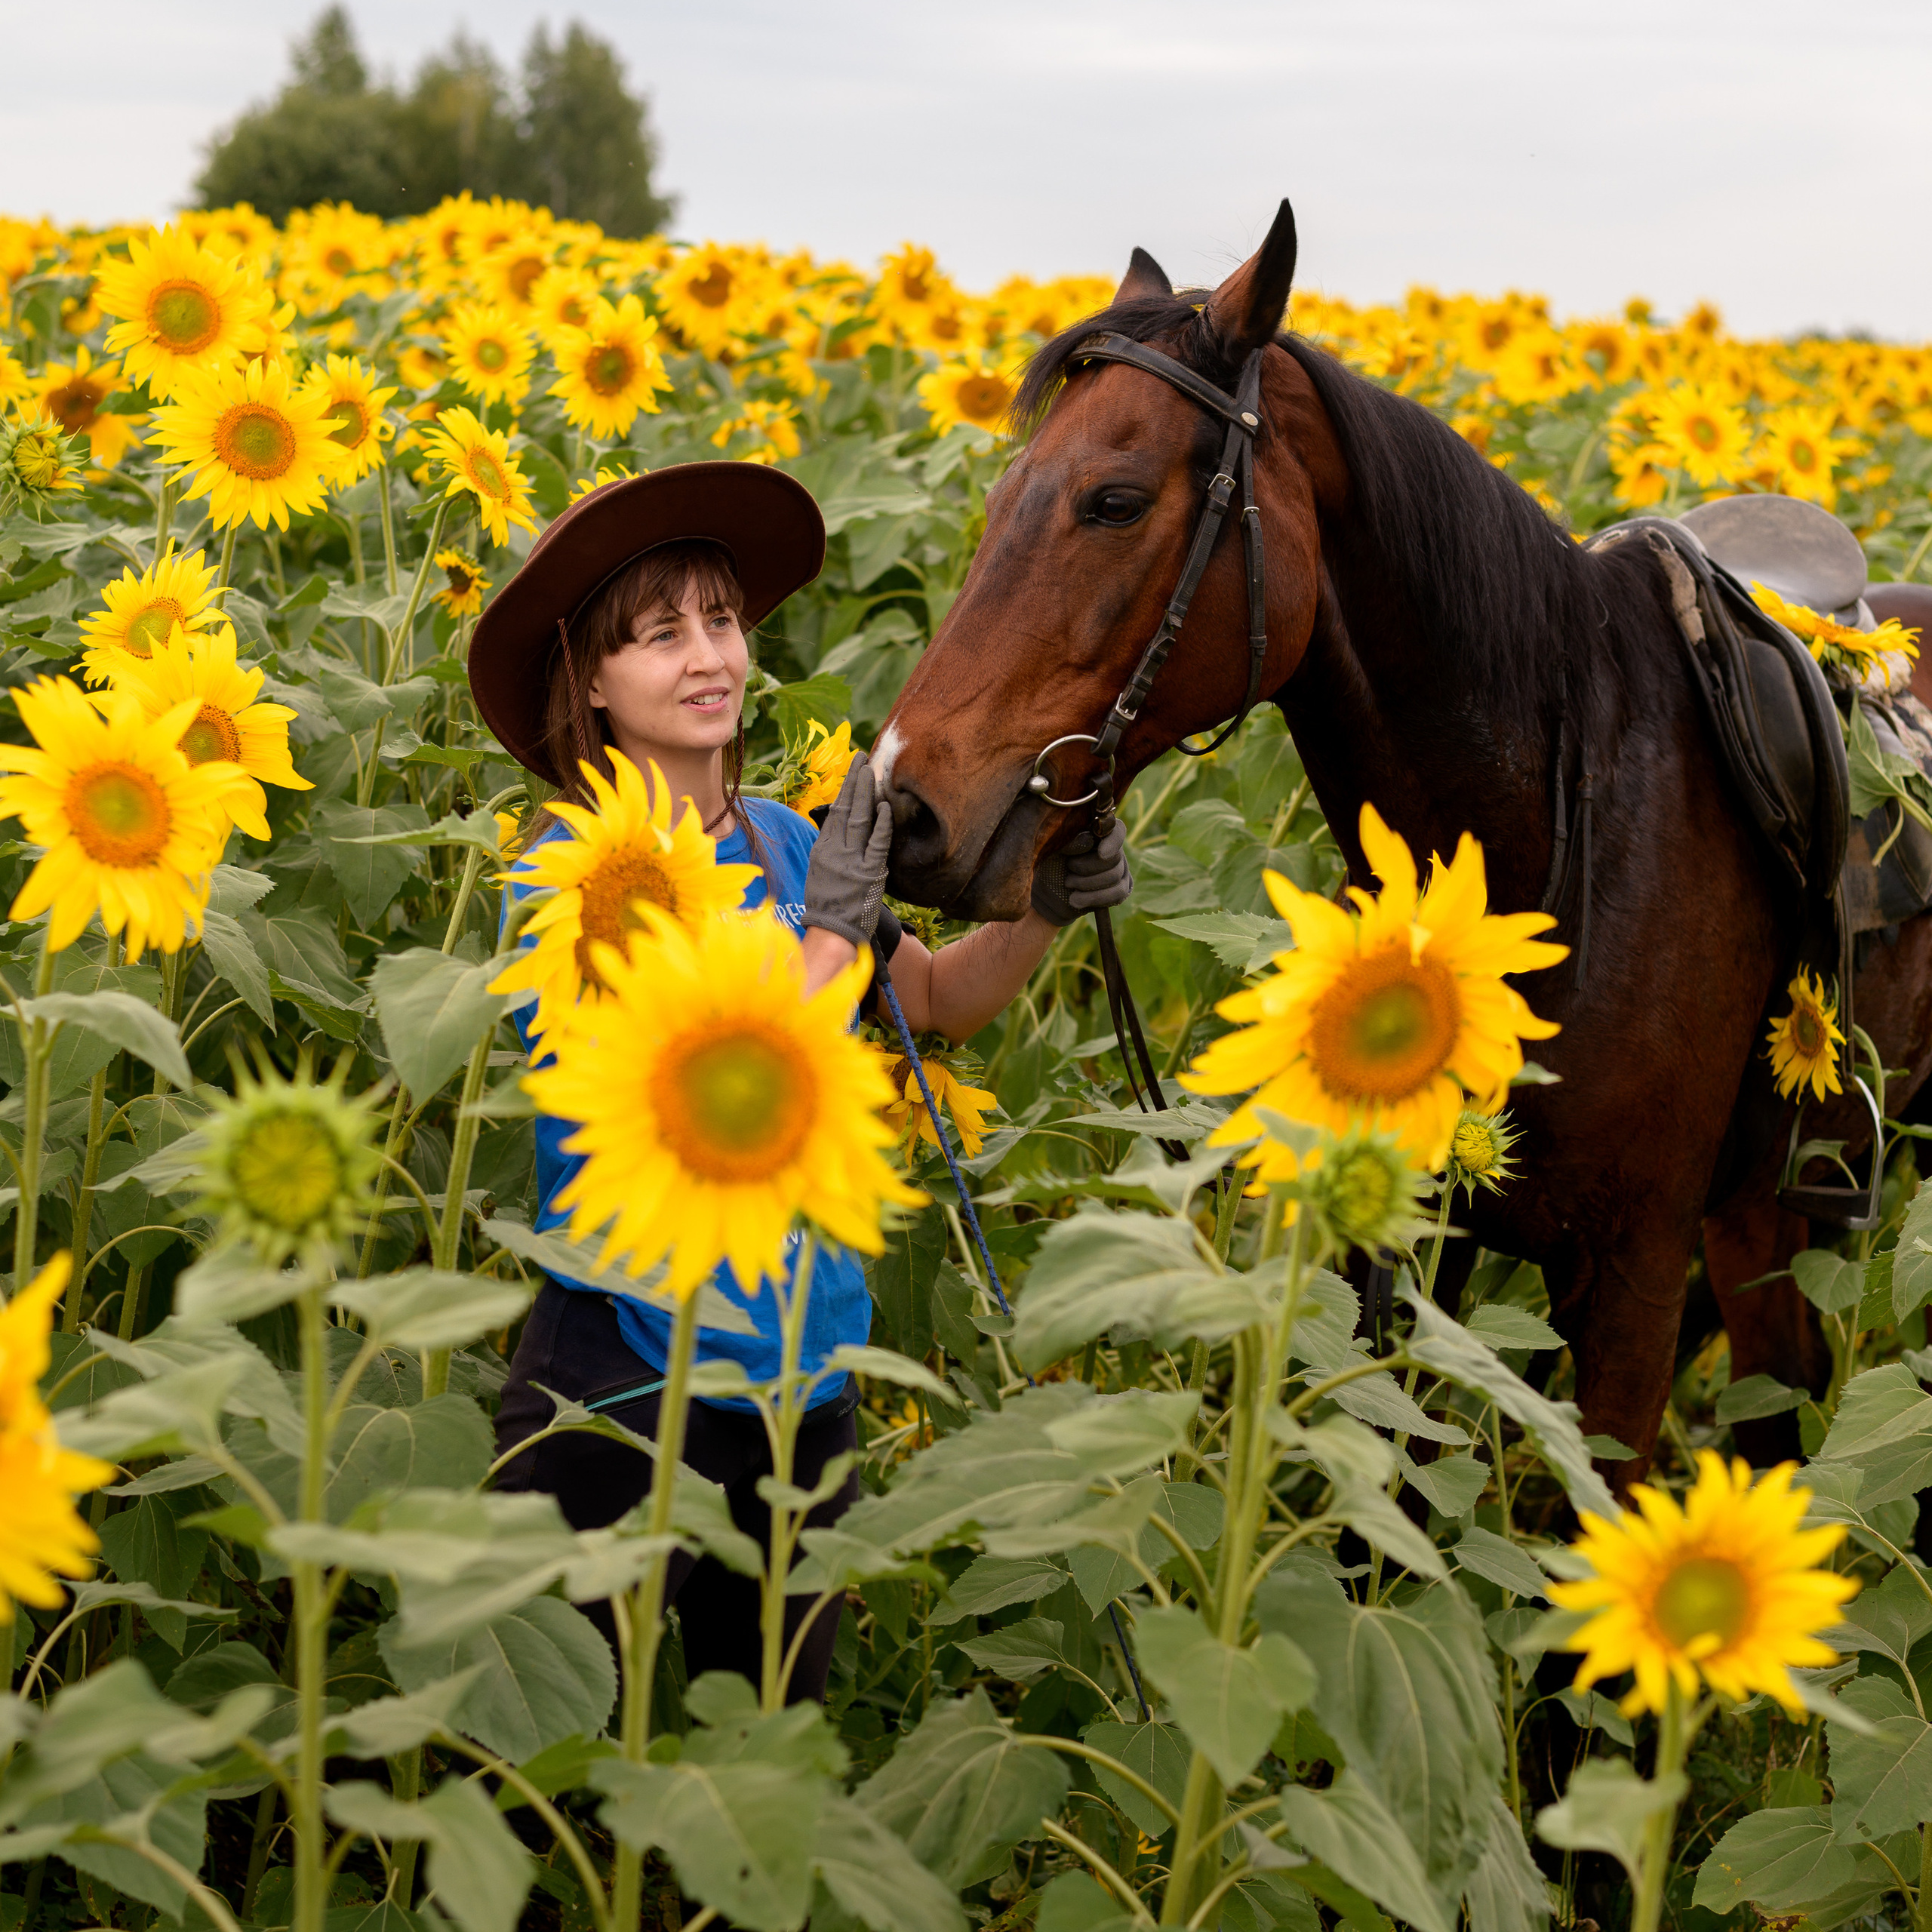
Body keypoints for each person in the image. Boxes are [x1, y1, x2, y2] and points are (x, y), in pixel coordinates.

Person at [466, 463, 1133, 1703]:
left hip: (802, 1370)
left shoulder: (780, 836)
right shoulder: (574, 877)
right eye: (660, 635)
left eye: (719, 621)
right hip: (624, 1366)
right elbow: (718, 1088)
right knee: (543, 1736)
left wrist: (1041, 908)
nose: (707, 655)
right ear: (591, 684)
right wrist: (829, 929)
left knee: (770, 1735)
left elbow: (930, 1000)